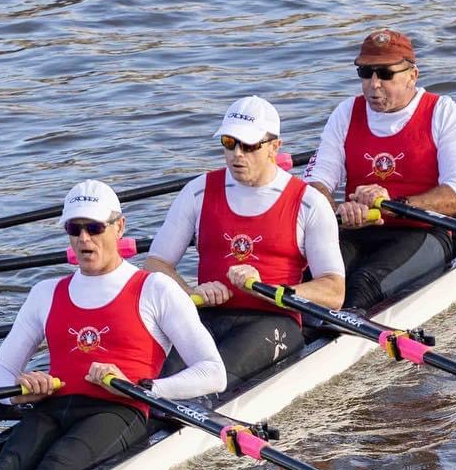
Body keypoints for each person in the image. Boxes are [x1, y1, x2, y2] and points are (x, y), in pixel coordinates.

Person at [0, 180, 225, 470]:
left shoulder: (156, 289)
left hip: (119, 410)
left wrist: (144, 388)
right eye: (74, 228)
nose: (84, 239)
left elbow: (213, 373)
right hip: (53, 407)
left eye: (95, 228)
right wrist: (19, 390)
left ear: (119, 227)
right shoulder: (46, 293)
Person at [146, 96, 345, 391]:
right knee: (157, 375)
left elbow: (334, 292)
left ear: (274, 148)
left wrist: (271, 290)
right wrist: (188, 292)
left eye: (249, 145)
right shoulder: (197, 192)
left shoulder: (308, 203)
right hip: (207, 314)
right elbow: (156, 265)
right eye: (229, 142)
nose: (237, 155)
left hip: (272, 319)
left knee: (205, 382)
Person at [304, 28, 456, 312]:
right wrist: (336, 209)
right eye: (365, 73)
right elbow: (315, 184)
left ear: (412, 75)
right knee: (309, 281)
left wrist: (392, 206)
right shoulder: (346, 113)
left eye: (385, 74)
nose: (374, 84)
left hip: (421, 233)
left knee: (363, 284)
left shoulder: (443, 113)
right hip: (356, 230)